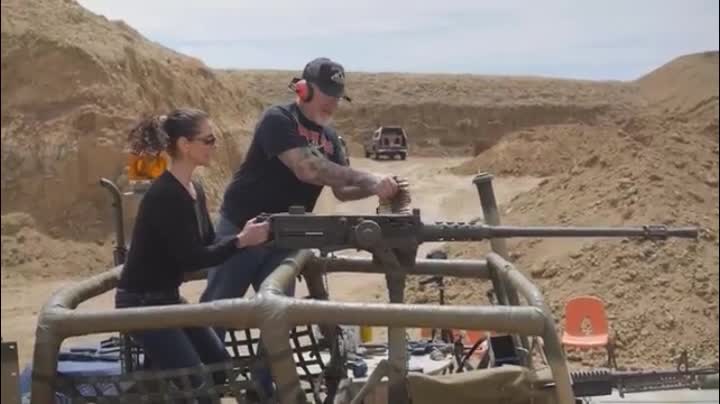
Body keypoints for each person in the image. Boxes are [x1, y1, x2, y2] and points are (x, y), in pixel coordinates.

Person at [199, 57, 399, 395]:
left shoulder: (330, 138)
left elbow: (342, 190)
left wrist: (379, 186)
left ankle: (261, 391)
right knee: (217, 311)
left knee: (277, 319)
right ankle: (201, 388)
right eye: (327, 94)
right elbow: (306, 168)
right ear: (303, 90)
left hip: (286, 236)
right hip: (244, 228)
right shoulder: (278, 119)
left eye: (338, 96)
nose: (333, 103)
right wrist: (368, 177)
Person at [114, 108, 270, 403]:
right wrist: (241, 241)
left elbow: (208, 244)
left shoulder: (193, 189)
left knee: (219, 369)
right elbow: (193, 259)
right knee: (199, 386)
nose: (214, 146)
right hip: (141, 304)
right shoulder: (166, 194)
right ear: (185, 145)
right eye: (208, 140)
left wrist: (244, 235)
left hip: (167, 299)